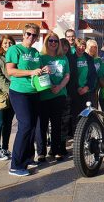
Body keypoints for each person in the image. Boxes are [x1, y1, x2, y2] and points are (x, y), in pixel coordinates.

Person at [6, 23, 50, 177]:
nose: (31, 37)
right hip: (19, 92)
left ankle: (28, 158)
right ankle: (16, 165)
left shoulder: (36, 52)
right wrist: (31, 71)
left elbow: (39, 69)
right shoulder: (15, 49)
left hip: (34, 92)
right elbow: (10, 71)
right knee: (25, 125)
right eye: (28, 34)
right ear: (23, 34)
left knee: (32, 126)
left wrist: (44, 70)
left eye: (34, 35)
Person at [36, 32, 70, 162]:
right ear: (46, 42)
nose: (53, 43)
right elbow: (37, 75)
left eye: (56, 41)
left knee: (57, 124)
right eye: (51, 41)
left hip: (59, 94)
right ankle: (41, 152)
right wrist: (50, 86)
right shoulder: (41, 57)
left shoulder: (63, 58)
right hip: (44, 94)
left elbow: (67, 75)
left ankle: (55, 150)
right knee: (42, 125)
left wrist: (59, 87)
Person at [0, 35, 16, 161]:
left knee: (8, 123)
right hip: (0, 93)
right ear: (1, 44)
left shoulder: (14, 56)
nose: (8, 45)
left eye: (10, 42)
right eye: (5, 43)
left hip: (13, 93)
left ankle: (5, 148)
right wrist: (11, 89)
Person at [69, 38, 97, 135]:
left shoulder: (89, 58)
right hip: (75, 91)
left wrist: (87, 87)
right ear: (75, 47)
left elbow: (93, 75)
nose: (81, 48)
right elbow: (70, 75)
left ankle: (87, 134)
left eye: (83, 46)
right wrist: (77, 88)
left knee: (87, 114)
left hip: (86, 91)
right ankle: (76, 136)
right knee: (75, 115)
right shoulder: (71, 58)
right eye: (79, 46)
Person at [86, 39, 104, 108]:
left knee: (94, 106)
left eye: (95, 47)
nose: (94, 49)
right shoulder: (84, 58)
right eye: (92, 47)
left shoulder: (98, 60)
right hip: (86, 86)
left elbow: (101, 73)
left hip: (96, 87)